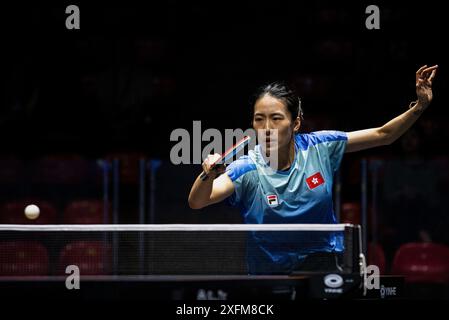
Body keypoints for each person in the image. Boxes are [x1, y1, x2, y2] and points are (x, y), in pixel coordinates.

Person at [188, 65, 438, 274]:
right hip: (269, 273)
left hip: (322, 264)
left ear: (295, 123)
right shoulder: (247, 168)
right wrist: (207, 175)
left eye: (276, 118)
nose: (266, 127)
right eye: (259, 119)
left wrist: (420, 106)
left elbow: (384, 135)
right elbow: (199, 201)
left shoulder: (320, 147)